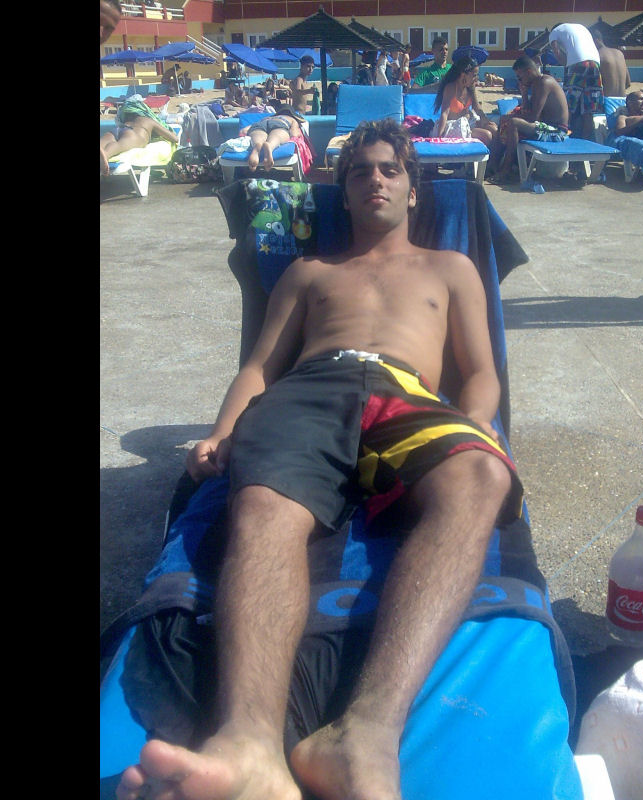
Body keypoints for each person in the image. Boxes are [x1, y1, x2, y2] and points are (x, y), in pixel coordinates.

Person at [115, 117, 522, 800]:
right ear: (343, 190)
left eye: (389, 169)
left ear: (414, 189)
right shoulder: (309, 273)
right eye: (359, 171)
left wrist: (478, 423)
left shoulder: (451, 268)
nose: (374, 180)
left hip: (406, 394)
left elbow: (481, 372)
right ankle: (248, 746)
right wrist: (222, 431)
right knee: (263, 503)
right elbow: (260, 366)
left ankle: (364, 734)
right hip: (310, 389)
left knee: (482, 474)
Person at [488, 55, 570, 183]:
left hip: (556, 132)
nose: (519, 80)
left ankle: (506, 170)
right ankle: (494, 164)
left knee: (513, 123)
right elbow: (528, 112)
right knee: (507, 121)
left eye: (520, 77)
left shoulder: (544, 82)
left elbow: (533, 117)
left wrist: (510, 118)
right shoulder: (537, 83)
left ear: (528, 72)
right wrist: (524, 94)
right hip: (545, 127)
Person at [548, 22, 604, 140]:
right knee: (589, 107)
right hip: (595, 63)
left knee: (568, 103)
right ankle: (586, 139)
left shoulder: (554, 33)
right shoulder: (581, 28)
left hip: (578, 63)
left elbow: (557, 53)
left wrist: (567, 66)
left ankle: (563, 135)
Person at [100, 98, 180, 175]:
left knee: (106, 141)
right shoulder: (148, 120)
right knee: (118, 146)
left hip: (117, 129)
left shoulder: (126, 120)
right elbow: (174, 139)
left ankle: (102, 149)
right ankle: (106, 154)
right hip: (134, 133)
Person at [433, 56, 497, 148]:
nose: (476, 78)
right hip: (455, 127)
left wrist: (485, 119)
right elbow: (444, 113)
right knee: (487, 135)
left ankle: (495, 157)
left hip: (469, 123)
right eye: (474, 75)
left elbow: (476, 106)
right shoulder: (451, 88)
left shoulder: (470, 87)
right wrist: (439, 136)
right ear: (463, 74)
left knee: (494, 129)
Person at [240, 105, 305, 171]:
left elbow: (244, 130)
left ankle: (257, 144)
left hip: (260, 124)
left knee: (258, 134)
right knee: (277, 136)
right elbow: (294, 133)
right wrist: (296, 134)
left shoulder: (268, 117)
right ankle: (270, 145)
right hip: (280, 123)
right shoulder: (292, 119)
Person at [591, 30, 630, 98]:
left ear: (595, 41)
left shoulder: (596, 55)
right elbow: (628, 83)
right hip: (622, 100)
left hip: (606, 101)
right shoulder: (619, 53)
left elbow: (592, 84)